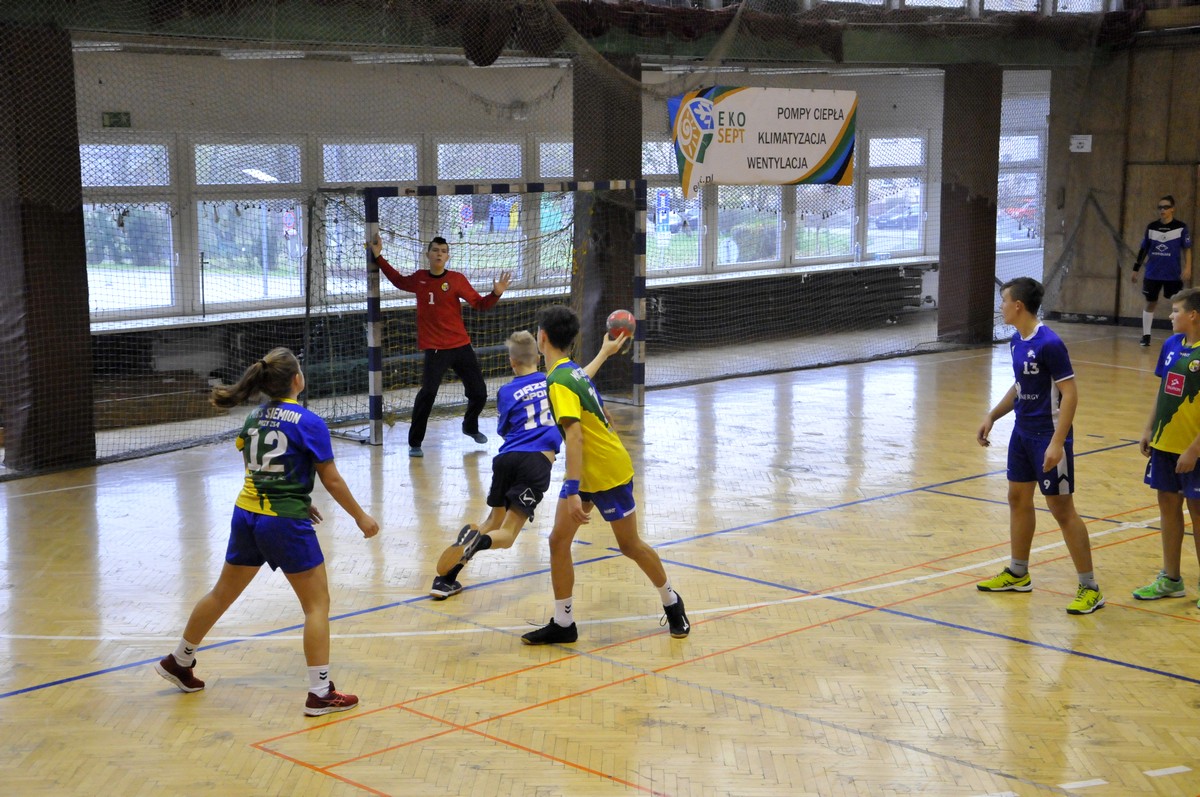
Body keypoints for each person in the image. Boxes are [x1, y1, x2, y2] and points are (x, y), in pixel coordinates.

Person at [154, 347, 380, 716]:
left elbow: (259, 466)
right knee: (317, 605)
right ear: (297, 380)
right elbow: (332, 479)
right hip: (283, 521)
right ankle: (320, 693)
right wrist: (360, 517)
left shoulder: (254, 418)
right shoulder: (308, 421)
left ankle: (179, 660)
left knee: (221, 593)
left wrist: (297, 496)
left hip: (247, 514)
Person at [522, 304, 691, 644]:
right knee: (558, 541)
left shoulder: (559, 380)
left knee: (630, 545)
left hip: (608, 472)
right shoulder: (569, 371)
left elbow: (575, 437)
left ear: (542, 338)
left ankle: (672, 602)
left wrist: (572, 490)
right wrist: (604, 352)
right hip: (585, 471)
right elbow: (587, 391)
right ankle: (564, 623)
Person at [429, 329, 628, 599]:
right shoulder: (554, 381)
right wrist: (604, 352)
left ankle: (446, 578)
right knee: (508, 535)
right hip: (535, 462)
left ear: (512, 361)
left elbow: (505, 429)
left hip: (505, 459)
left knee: (493, 519)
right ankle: (478, 543)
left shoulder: (506, 391)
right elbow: (582, 378)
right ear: (539, 356)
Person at [975, 278, 1104, 615]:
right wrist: (993, 415)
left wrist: (1057, 443)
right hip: (1022, 433)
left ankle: (1090, 588)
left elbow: (1070, 394)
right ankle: (1018, 573)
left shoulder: (1050, 343)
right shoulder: (1016, 341)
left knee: (1062, 509)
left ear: (1018, 305)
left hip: (1048, 435)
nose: (1001, 306)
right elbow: (1020, 386)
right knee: (1017, 498)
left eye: (1004, 300)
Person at [367, 234, 513, 458]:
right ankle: (415, 442)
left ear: (447, 257)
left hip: (461, 346)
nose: (439, 254)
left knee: (479, 393)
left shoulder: (456, 279)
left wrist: (496, 293)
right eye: (435, 250)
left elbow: (480, 304)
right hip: (435, 349)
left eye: (443, 251)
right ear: (428, 254)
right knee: (428, 394)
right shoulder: (419, 278)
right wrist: (378, 257)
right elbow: (397, 280)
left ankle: (470, 426)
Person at [1132, 287, 1200, 605]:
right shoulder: (1171, 345)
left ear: (1193, 315)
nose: (1171, 316)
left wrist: (1194, 450)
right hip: (1165, 445)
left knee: (1197, 513)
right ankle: (1171, 579)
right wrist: (1149, 428)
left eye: (1175, 311)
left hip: (1194, 449)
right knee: (1168, 509)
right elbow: (1164, 390)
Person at [1131, 195, 1192, 347]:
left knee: (1177, 304)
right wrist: (1136, 269)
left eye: (1166, 207)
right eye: (1160, 207)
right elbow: (1144, 249)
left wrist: (1188, 267)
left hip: (1173, 274)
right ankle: (1146, 336)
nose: (1162, 210)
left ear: (1172, 209)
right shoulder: (1152, 227)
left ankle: (1178, 337)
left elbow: (1187, 249)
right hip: (1153, 273)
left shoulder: (1181, 227)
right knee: (1150, 302)